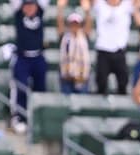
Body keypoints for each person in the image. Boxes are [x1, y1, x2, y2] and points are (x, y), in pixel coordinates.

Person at [10, 0, 49, 133]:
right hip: (23, 57)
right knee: (21, 86)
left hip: (38, 57)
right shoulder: (18, 13)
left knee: (41, 88)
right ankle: (19, 116)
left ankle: (40, 118)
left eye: (32, 5)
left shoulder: (40, 11)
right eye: (27, 5)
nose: (29, 8)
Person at [56, 3, 92, 94]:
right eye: (72, 24)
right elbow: (60, 24)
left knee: (83, 102)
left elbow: (88, 25)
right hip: (67, 77)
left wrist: (87, 11)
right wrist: (60, 9)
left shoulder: (84, 36)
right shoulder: (65, 37)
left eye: (76, 24)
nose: (74, 26)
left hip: (82, 77)